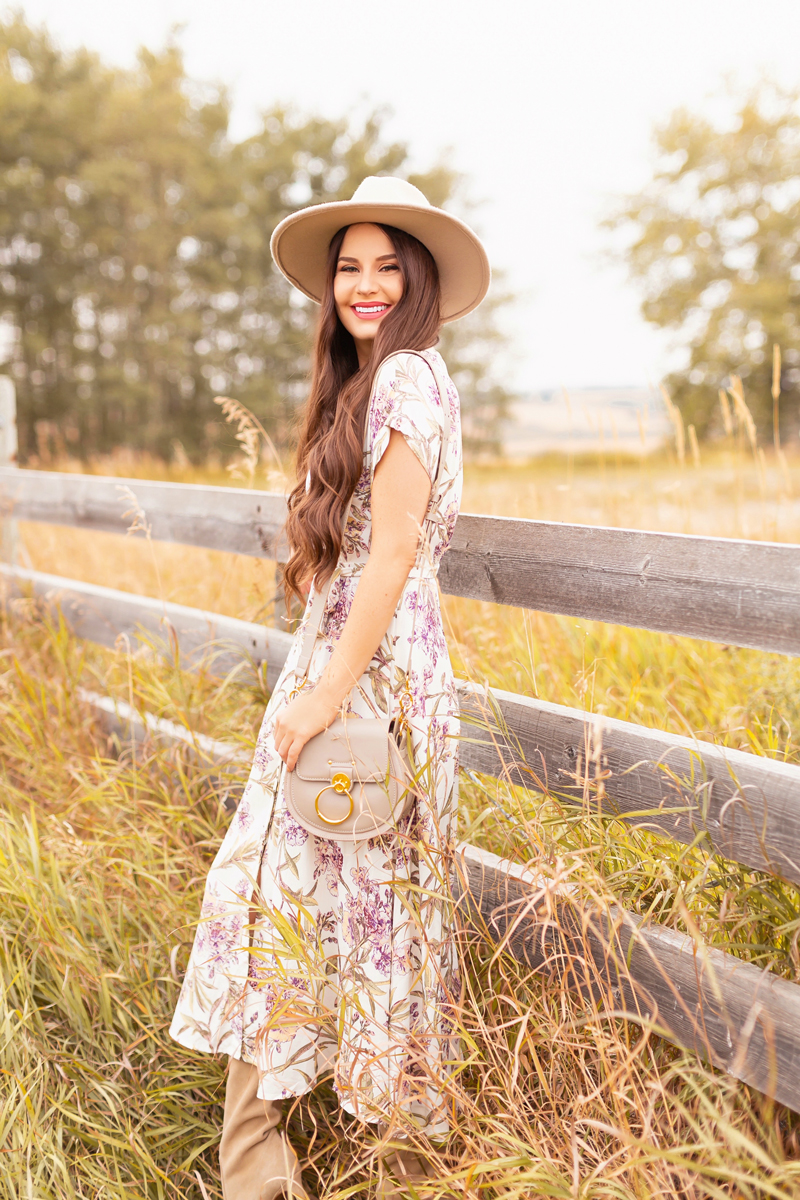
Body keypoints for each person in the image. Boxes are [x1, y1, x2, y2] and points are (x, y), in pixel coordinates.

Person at [170, 176, 490, 1199]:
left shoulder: (402, 380)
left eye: (387, 266)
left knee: (284, 895)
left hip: (367, 677)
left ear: (419, 278)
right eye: (349, 267)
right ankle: (324, 1158)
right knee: (351, 906)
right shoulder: (387, 381)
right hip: (370, 664)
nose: (364, 284)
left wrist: (317, 695)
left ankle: (273, 1168)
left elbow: (393, 552)